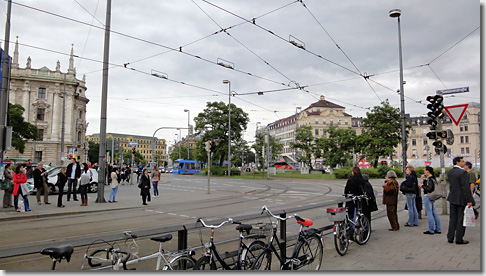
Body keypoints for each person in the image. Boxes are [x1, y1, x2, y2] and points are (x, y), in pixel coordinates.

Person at [447, 156, 475, 245]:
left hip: (452, 197)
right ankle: (459, 238)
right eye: (462, 161)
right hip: (461, 199)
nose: (464, 163)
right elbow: (465, 187)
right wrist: (470, 200)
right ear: (457, 162)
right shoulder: (463, 173)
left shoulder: (450, 172)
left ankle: (450, 237)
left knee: (452, 219)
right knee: (461, 219)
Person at [418, 166, 441, 235]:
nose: (424, 172)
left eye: (425, 170)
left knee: (429, 213)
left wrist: (422, 185)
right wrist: (424, 180)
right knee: (434, 212)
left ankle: (431, 229)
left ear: (428, 171)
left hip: (428, 196)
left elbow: (429, 189)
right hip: (432, 197)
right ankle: (438, 228)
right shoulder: (432, 178)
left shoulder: (430, 179)